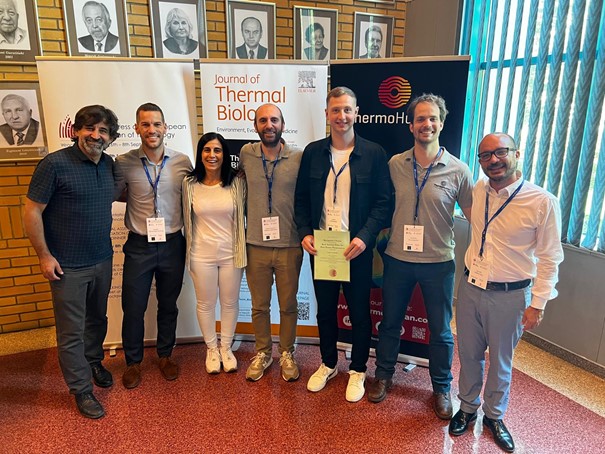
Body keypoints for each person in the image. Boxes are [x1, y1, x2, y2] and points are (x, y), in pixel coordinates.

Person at [449, 133, 563, 452]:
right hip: (471, 287)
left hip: (511, 296)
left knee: (501, 361)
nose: (494, 160)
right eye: (486, 156)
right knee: (469, 354)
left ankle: (494, 416)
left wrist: (538, 303)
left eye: (501, 152)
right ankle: (467, 407)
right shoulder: (479, 190)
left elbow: (550, 258)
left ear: (517, 153)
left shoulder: (542, 201)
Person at [367, 94, 473, 420]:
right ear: (411, 126)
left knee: (440, 331)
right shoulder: (395, 164)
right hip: (397, 259)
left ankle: (441, 387)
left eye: (433, 118)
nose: (427, 124)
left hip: (439, 263)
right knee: (390, 323)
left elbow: (475, 218)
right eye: (420, 119)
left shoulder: (459, 170)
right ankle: (383, 375)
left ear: (441, 123)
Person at [294, 86, 392, 402]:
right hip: (323, 247)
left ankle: (358, 369)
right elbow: (300, 200)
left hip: (356, 249)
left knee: (359, 312)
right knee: (325, 311)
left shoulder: (374, 153)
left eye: (347, 109)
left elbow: (383, 203)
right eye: (335, 110)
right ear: (327, 114)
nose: (342, 116)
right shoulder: (313, 153)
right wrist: (304, 233)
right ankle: (328, 363)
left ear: (356, 113)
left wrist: (365, 237)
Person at [23, 105, 119, 419]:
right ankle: (81, 388)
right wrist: (44, 255)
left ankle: (93, 362)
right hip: (67, 266)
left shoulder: (109, 164)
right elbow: (32, 211)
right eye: (89, 128)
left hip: (102, 259)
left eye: (103, 130)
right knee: (71, 331)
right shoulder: (54, 164)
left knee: (97, 320)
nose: (96, 135)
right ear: (76, 130)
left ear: (110, 137)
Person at [114, 103, 192, 389]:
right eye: (145, 124)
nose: (152, 130)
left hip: (173, 243)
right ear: (136, 128)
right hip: (139, 245)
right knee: (133, 307)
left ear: (165, 127)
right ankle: (132, 362)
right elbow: (115, 192)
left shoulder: (182, 162)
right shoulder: (123, 162)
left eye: (157, 124)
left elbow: (195, 192)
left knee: (168, 305)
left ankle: (165, 355)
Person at [239, 104, 303, 382]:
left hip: (289, 244)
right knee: (259, 306)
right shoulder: (246, 154)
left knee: (288, 305)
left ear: (283, 125)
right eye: (263, 120)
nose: (269, 125)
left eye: (274, 120)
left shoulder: (298, 157)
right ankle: (263, 352)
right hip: (255, 244)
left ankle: (287, 352)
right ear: (255, 126)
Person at [182, 132, 246, 374]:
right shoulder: (189, 184)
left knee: (230, 303)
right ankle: (211, 349)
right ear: (200, 154)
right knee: (205, 304)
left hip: (231, 254)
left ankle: (226, 348)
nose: (212, 155)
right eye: (207, 150)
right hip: (201, 254)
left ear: (224, 154)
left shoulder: (237, 182)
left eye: (217, 150)